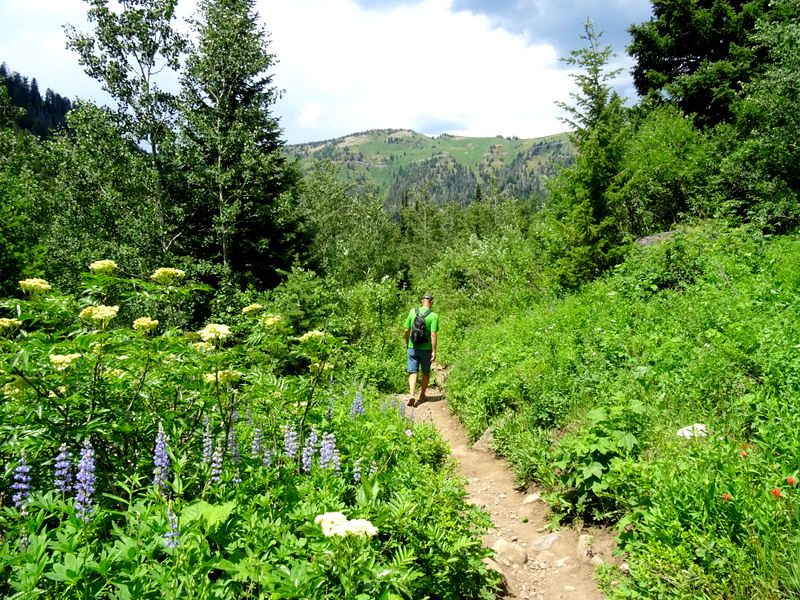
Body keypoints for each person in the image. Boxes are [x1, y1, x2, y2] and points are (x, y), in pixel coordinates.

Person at [403, 292, 439, 407]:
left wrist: (407, 342)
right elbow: (433, 334)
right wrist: (434, 351)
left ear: (421, 301)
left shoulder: (413, 312)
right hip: (426, 349)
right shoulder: (433, 316)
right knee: (426, 372)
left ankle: (412, 394)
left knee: (413, 372)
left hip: (412, 347)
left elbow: (406, 330)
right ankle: (422, 395)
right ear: (432, 302)